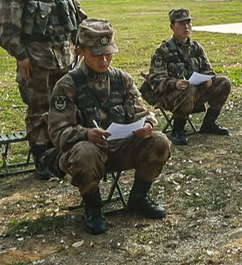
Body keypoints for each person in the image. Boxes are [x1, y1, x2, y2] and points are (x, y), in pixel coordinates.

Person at [48, 19, 171, 235]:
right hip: (88, 155)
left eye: (108, 53)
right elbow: (58, 133)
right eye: (96, 54)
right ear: (80, 51)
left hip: (121, 148)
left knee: (159, 141)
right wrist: (86, 133)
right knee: (86, 151)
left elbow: (142, 111)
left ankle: (138, 198)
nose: (104, 60)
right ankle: (93, 207)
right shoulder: (67, 85)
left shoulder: (121, 79)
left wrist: (148, 124)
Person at [0, 0, 86, 179]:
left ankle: (61, 149)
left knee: (65, 105)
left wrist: (82, 43)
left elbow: (79, 17)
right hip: (36, 61)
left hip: (66, 59)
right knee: (38, 109)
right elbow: (7, 30)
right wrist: (21, 56)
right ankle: (41, 156)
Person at [145, 8, 232, 145]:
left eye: (188, 23)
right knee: (188, 89)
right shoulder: (163, 50)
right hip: (170, 96)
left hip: (195, 92)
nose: (186, 27)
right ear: (172, 26)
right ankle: (178, 130)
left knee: (224, 82)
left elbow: (208, 70)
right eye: (181, 23)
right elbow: (155, 80)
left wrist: (208, 79)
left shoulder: (196, 48)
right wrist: (174, 84)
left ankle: (209, 123)